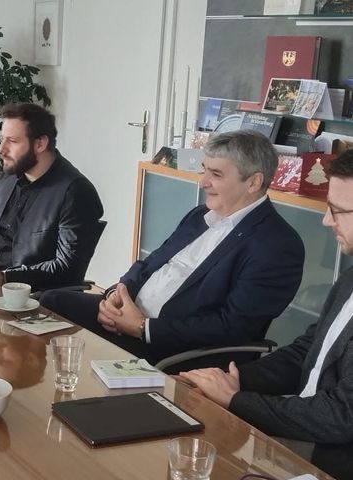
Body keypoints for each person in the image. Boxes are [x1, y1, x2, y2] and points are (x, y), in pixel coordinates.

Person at [41, 131, 305, 365]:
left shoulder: (277, 246)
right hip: (131, 315)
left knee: (76, 345)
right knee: (51, 302)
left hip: (169, 345)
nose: (202, 182)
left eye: (216, 174)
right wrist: (116, 294)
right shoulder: (199, 215)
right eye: (204, 170)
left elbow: (232, 327)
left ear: (253, 182)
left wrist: (143, 328)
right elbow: (150, 264)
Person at [181, 149, 353, 445]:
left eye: (337, 210)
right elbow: (308, 352)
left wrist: (237, 401)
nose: (326, 221)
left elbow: (341, 417)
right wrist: (231, 379)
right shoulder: (350, 277)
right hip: (301, 430)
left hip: (332, 461)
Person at [0, 103, 103, 289]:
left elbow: (68, 269)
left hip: (27, 296)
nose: (1, 149)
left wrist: (0, 278)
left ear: (40, 144)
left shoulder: (75, 192)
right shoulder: (8, 176)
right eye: (2, 139)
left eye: (12, 141)